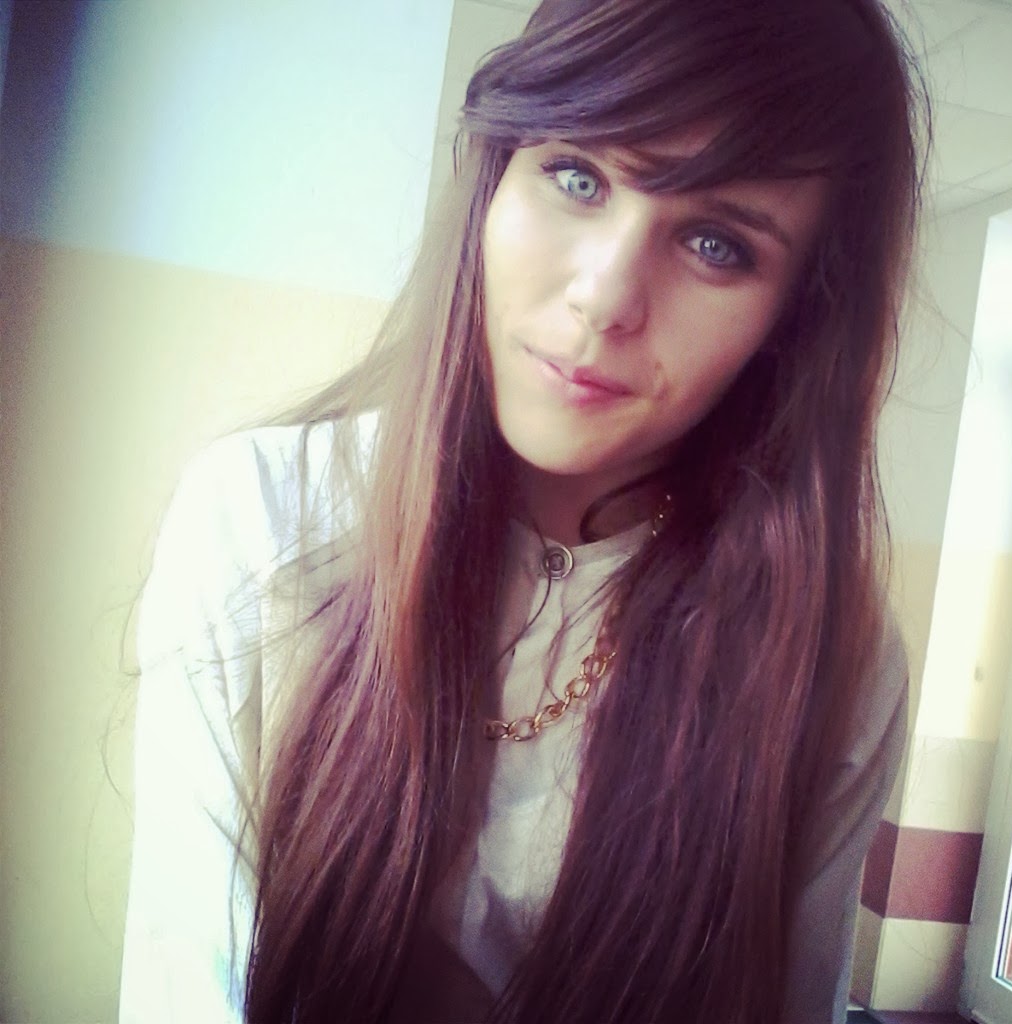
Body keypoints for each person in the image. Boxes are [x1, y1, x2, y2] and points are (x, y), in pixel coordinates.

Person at [119, 0, 926, 1021]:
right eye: (577, 176)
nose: (604, 297)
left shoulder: (831, 660)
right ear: (499, 170)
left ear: (795, 317)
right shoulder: (263, 522)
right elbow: (183, 983)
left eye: (716, 243)